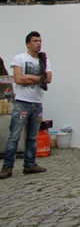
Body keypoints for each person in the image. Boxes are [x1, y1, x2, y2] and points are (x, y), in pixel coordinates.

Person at [1, 31, 51, 179]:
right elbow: (18, 79)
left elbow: (48, 79)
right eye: (35, 41)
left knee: (32, 136)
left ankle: (30, 164)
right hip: (22, 103)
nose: (38, 43)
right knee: (14, 136)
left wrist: (28, 76)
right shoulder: (20, 58)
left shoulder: (44, 60)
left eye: (40, 41)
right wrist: (39, 78)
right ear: (28, 44)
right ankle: (7, 166)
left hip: (37, 103)